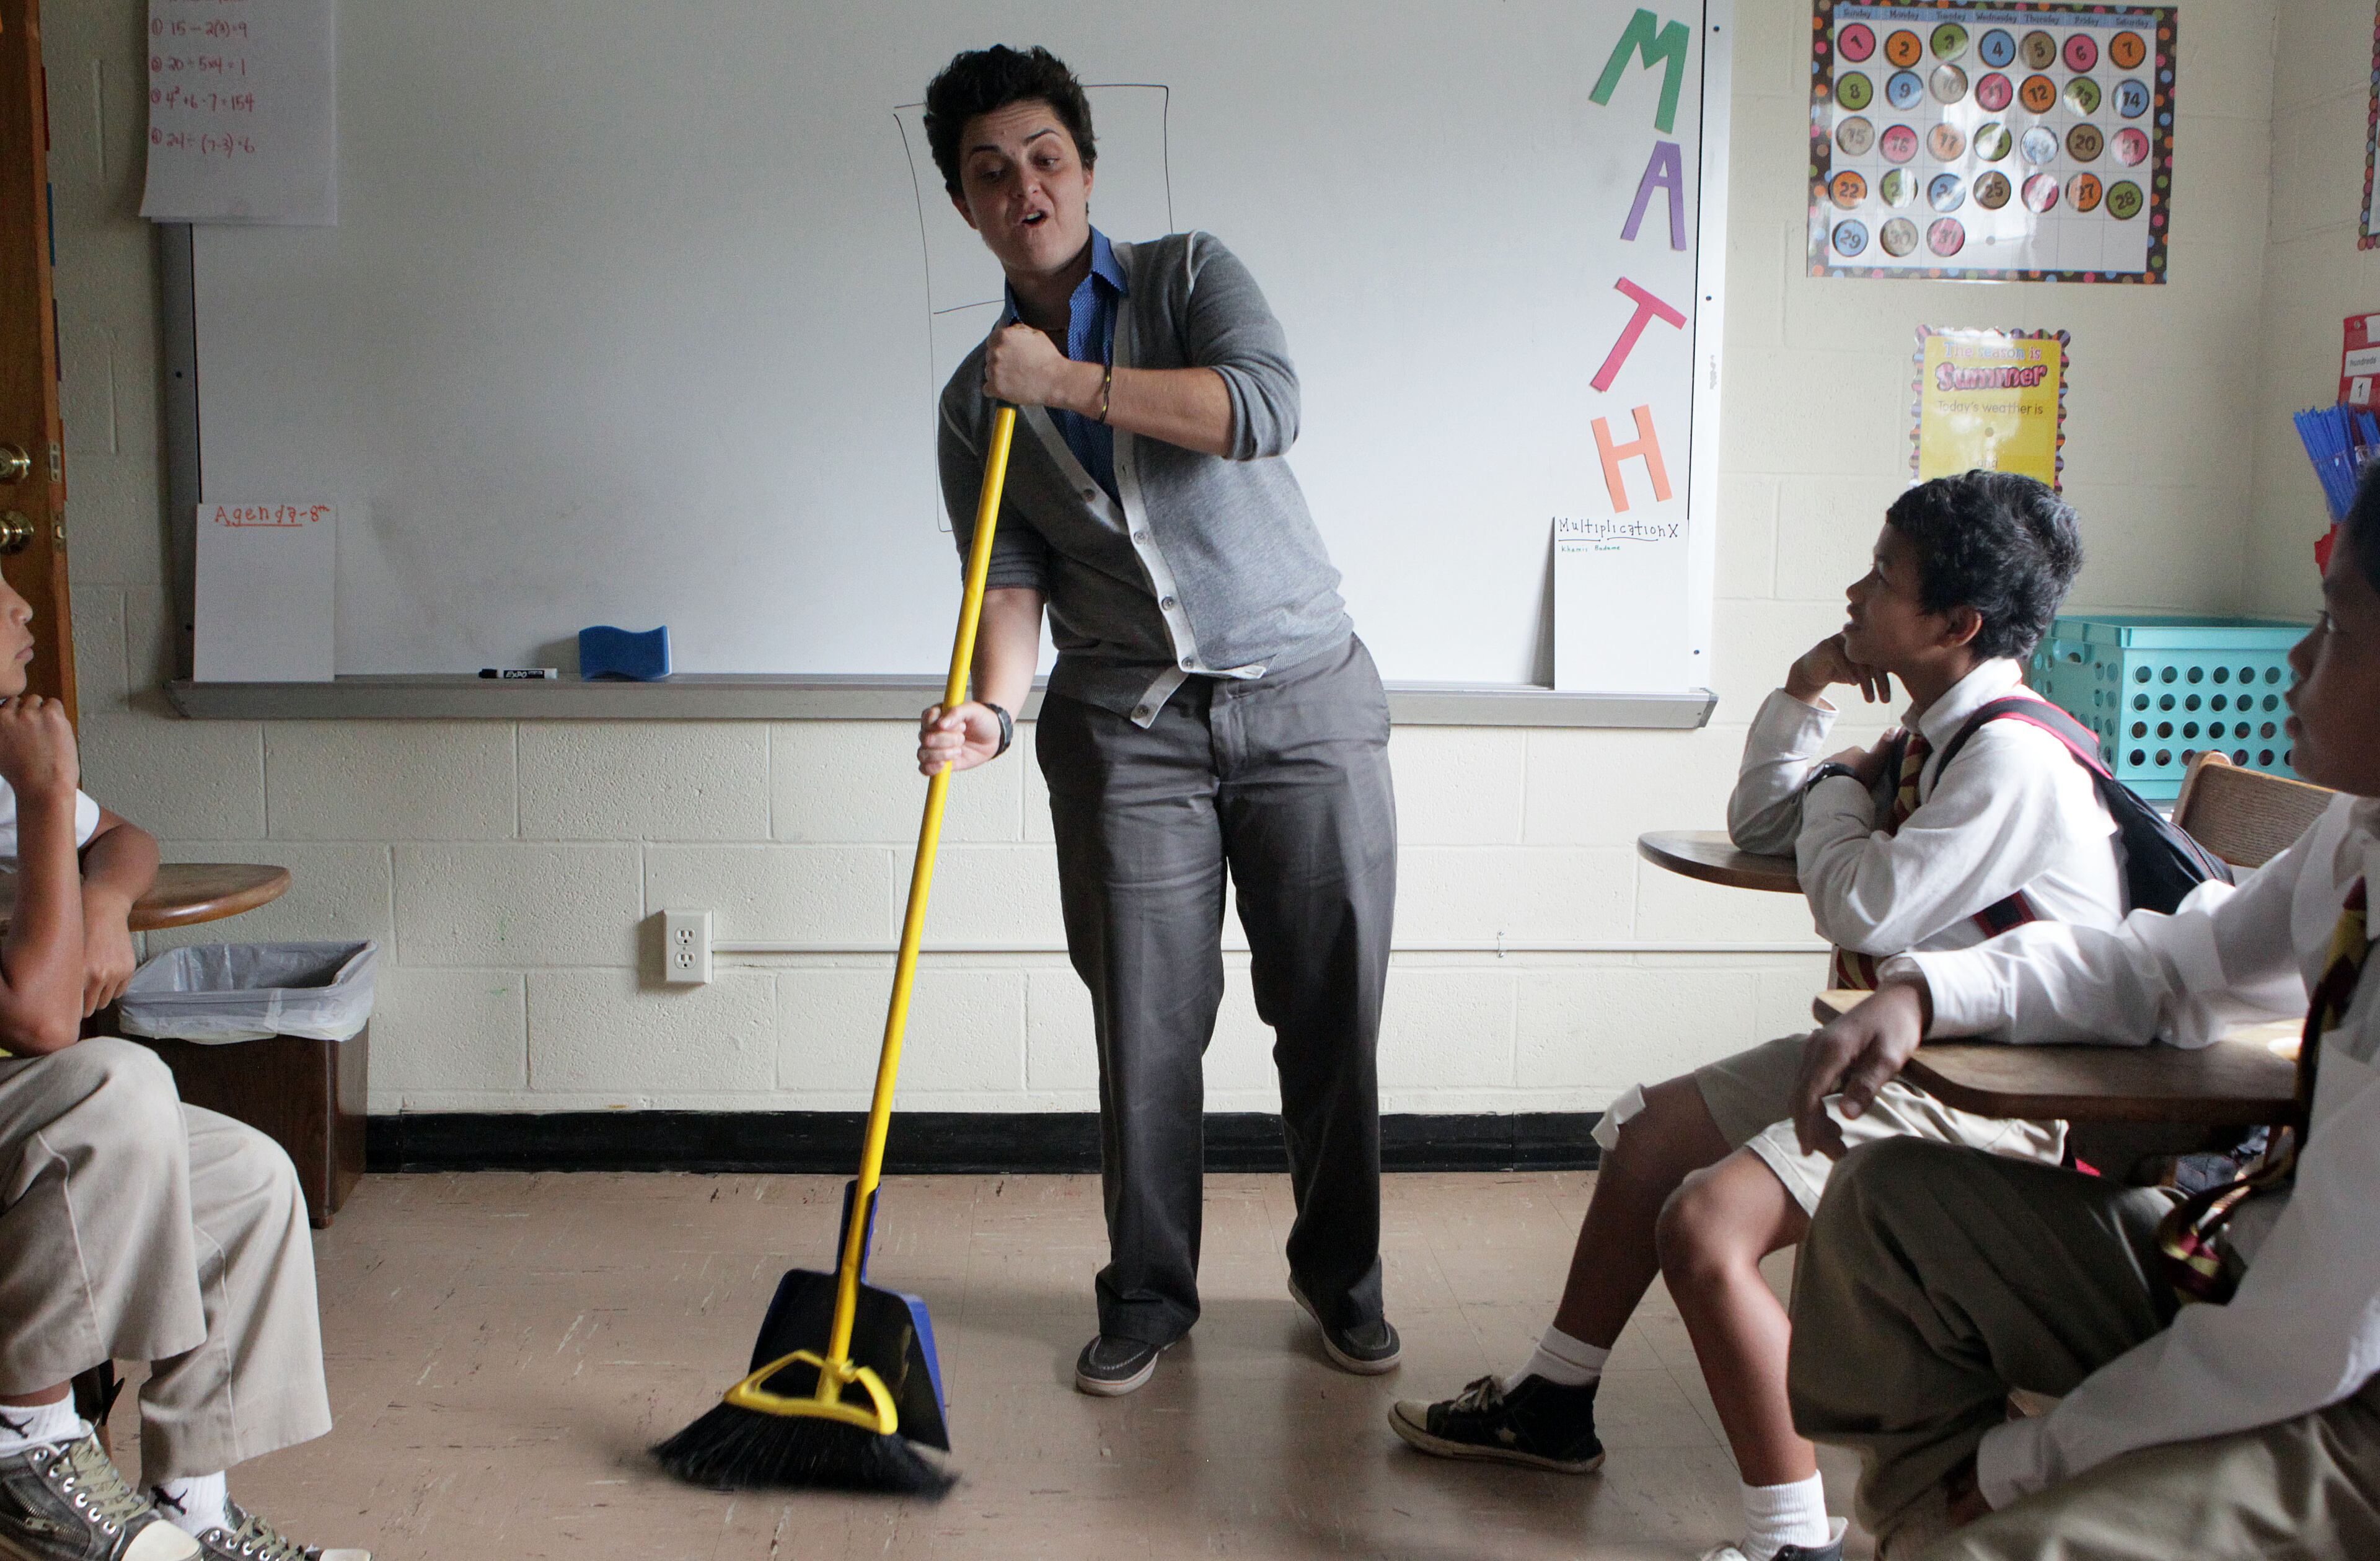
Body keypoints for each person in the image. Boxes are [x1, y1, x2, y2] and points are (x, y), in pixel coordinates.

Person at [1392, 473, 2121, 1561]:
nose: (1855, 591)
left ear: (1955, 625)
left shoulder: (2010, 759)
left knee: (1704, 1226)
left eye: (1884, 576)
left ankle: (1796, 1538)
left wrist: (1842, 786)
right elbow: (1768, 822)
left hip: (1997, 1093)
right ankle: (1552, 1405)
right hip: (1907, 1053)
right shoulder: (1936, 735)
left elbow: (1858, 897)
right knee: (1647, 1138)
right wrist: (1805, 696)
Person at [914, 45, 1399, 1397]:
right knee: (1144, 1023)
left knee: (1330, 1008)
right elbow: (1011, 585)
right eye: (991, 173)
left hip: (1305, 695)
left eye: (1045, 159)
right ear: (964, 206)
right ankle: (1147, 1293)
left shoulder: (1188, 278)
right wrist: (990, 716)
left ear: (1085, 167)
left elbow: (1260, 412)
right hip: (1126, 727)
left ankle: (1342, 1282)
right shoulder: (972, 404)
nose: (1026, 189)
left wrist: (1065, 383)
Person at [1783, 471, 2380, 1560]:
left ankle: (1965, 1524)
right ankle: (1926, 1526)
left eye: (2336, 624)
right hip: (2255, 1272)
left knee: (1997, 1533)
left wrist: (2026, 1467)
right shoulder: (2361, 837)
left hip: (2347, 1399)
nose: (2300, 658)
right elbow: (2180, 959)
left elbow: (2312, 1344)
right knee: (1884, 1211)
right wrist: (1926, 995)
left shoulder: (2011, 749)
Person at [0, 576, 368, 1561]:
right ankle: (23, 1439)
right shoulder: (20, 771)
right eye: (0, 602)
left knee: (248, 1176)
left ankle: (190, 1509)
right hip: (23, 1083)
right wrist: (41, 796)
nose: (27, 614)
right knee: (115, 1086)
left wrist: (106, 904)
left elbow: (125, 840)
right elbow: (42, 1025)